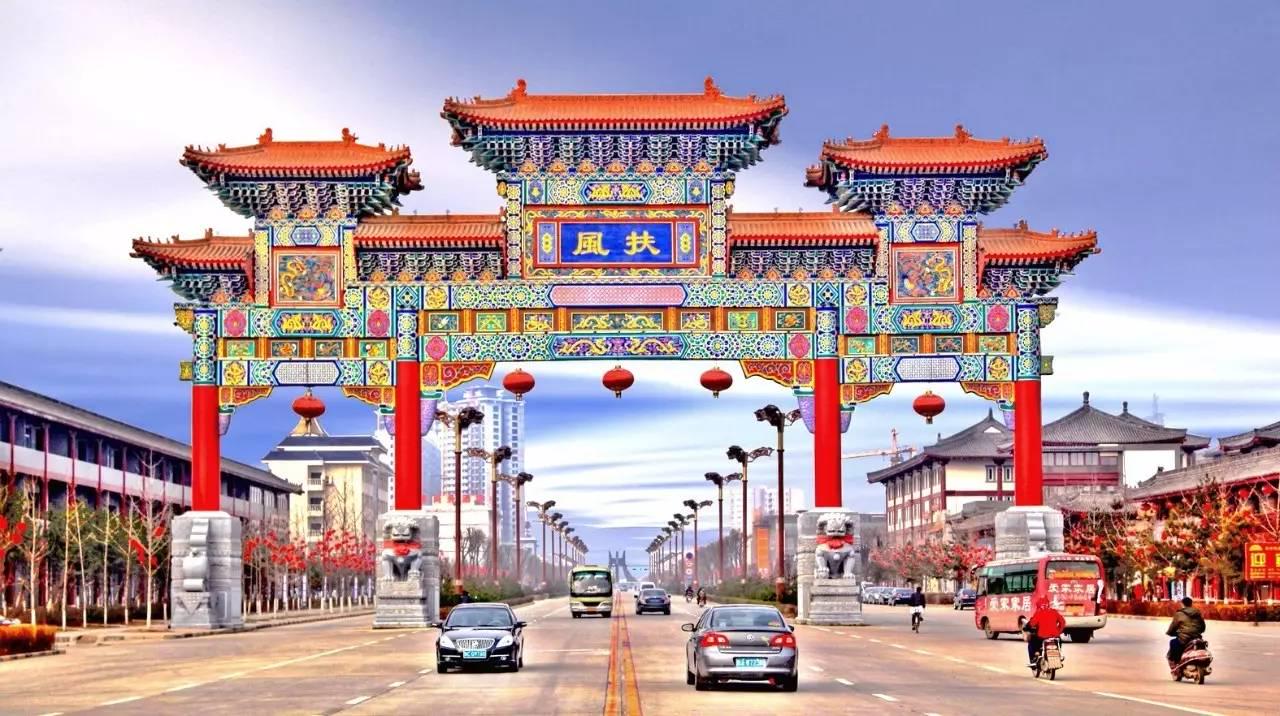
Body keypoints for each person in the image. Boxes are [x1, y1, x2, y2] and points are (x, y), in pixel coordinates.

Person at [1023, 597, 1067, 668]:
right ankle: (1058, 655)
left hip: (1042, 638)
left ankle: (1034, 660)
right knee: (1059, 643)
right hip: (1055, 637)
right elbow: (1062, 622)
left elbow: (1032, 623)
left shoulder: (1039, 612)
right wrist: (1059, 631)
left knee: (1031, 643)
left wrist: (1027, 627)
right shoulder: (1054, 612)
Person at [1166, 596, 1206, 666]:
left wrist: (1170, 632)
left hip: (1184, 639)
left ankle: (1176, 664)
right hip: (1196, 638)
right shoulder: (1197, 613)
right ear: (1191, 604)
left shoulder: (1179, 614)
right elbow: (1203, 627)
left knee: (1172, 642)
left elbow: (1173, 627)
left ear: (1182, 604)